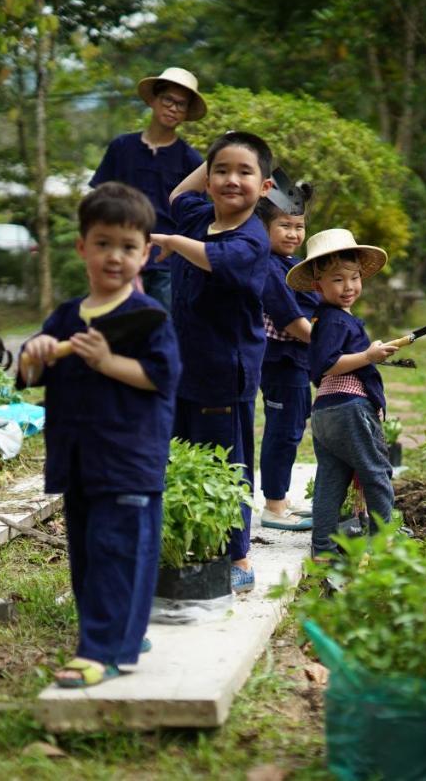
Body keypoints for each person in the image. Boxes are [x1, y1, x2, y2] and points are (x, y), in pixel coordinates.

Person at [19, 182, 179, 688]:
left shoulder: (147, 317)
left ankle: (103, 650)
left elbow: (162, 376)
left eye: (129, 247)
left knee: (118, 550)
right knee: (89, 555)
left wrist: (108, 362)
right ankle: (121, 632)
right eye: (104, 243)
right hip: (78, 459)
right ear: (81, 246)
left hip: (128, 457)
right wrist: (34, 353)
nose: (115, 257)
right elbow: (29, 375)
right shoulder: (67, 316)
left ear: (147, 254)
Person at [150, 131, 274, 594]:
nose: (231, 180)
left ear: (265, 187)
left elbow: (214, 259)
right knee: (184, 456)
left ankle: (239, 555)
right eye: (221, 170)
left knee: (228, 465)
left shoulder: (252, 239)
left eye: (246, 173)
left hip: (226, 374)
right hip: (184, 368)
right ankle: (194, 544)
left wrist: (172, 240)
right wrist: (221, 149)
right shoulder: (200, 214)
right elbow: (180, 194)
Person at [284, 229, 397, 558]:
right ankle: (382, 545)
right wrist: (368, 357)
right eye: (337, 280)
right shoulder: (334, 320)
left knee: (331, 480)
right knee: (376, 473)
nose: (348, 287)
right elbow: (327, 365)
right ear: (318, 284)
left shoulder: (328, 319)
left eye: (354, 278)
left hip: (325, 412)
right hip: (348, 408)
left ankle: (322, 549)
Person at [90, 67, 207, 313]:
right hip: (120, 255)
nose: (173, 108)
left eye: (181, 104)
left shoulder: (191, 160)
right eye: (168, 100)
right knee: (118, 327)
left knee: (161, 331)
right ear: (153, 100)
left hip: (168, 262)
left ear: (186, 113)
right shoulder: (122, 147)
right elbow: (99, 201)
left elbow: (197, 216)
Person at [257, 169, 320, 531]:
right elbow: (292, 320)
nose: (294, 233)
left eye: (299, 226)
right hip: (280, 360)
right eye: (285, 226)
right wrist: (332, 347)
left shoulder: (293, 264)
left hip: (297, 360)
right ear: (265, 227)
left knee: (293, 425)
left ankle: (280, 498)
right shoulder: (268, 267)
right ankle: (274, 505)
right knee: (283, 429)